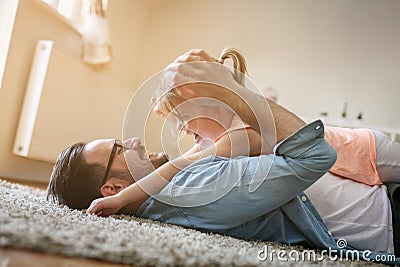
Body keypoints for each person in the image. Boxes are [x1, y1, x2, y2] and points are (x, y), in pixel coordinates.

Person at [47, 49, 400, 263]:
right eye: (119, 149)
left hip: (373, 176)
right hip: (389, 216)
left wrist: (126, 197)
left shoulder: (174, 180)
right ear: (108, 187)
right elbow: (313, 156)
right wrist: (230, 92)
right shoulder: (189, 189)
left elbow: (181, 164)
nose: (134, 142)